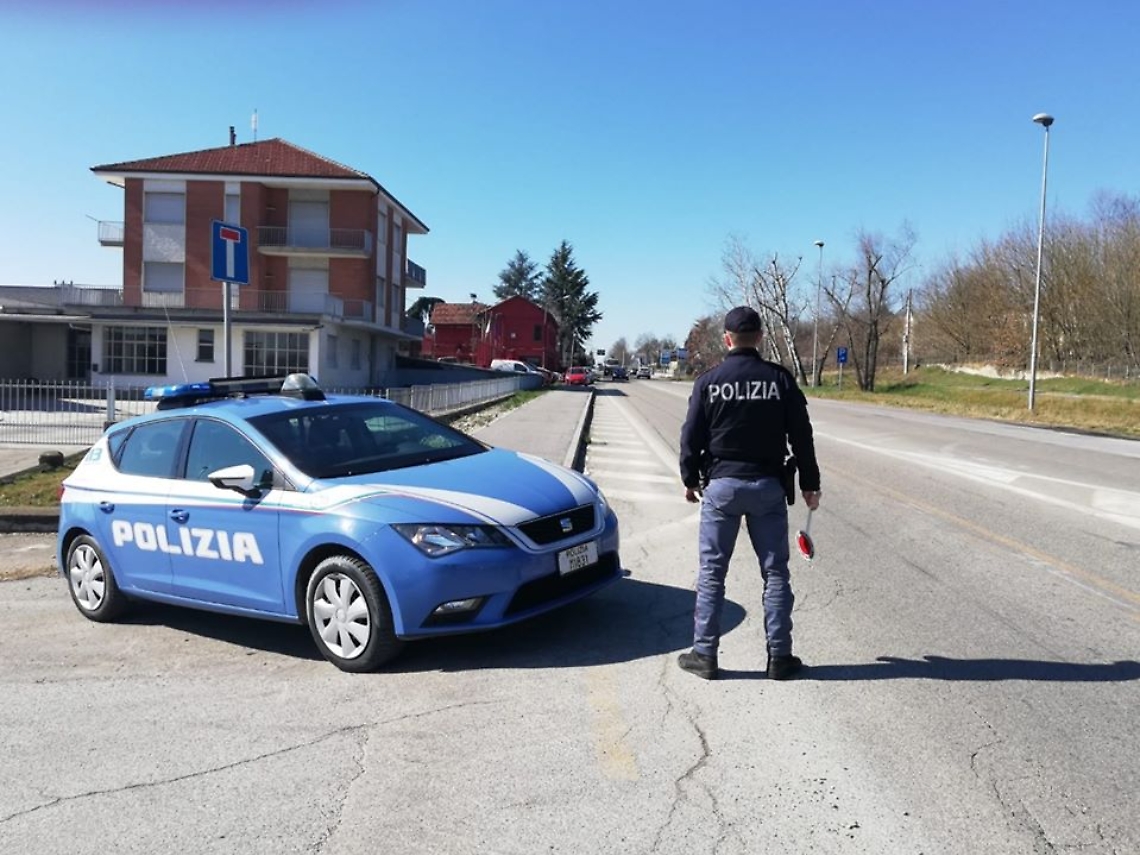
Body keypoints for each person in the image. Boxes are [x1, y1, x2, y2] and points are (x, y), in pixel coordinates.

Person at [677, 306, 821, 681]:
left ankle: (705, 655)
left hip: (722, 487)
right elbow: (802, 436)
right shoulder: (780, 380)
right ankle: (780, 658)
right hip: (767, 487)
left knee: (712, 573)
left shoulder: (709, 381)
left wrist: (690, 479)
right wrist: (810, 484)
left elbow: (691, 435)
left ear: (727, 339)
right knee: (775, 573)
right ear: (759, 336)